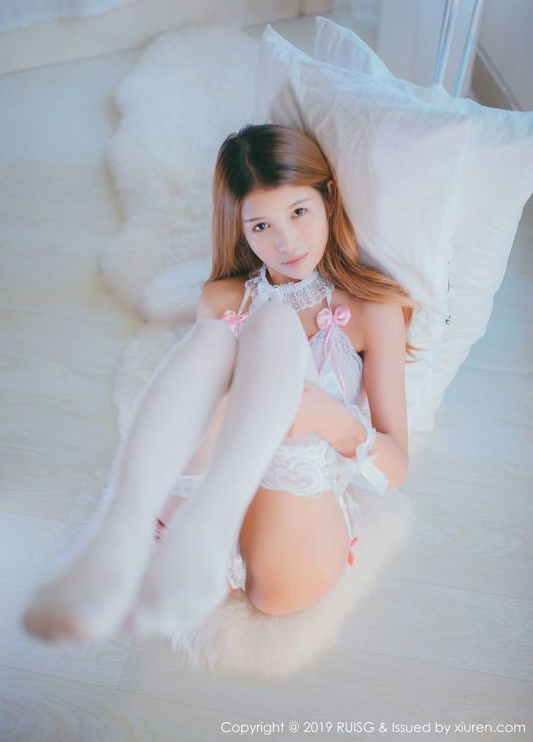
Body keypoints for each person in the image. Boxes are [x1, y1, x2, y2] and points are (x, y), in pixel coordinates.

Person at [22, 124, 420, 643]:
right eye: (261, 225)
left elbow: (395, 469)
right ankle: (120, 532)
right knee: (215, 338)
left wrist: (329, 418)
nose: (285, 242)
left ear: (327, 199)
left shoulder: (372, 310)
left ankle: (195, 529)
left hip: (291, 528)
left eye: (299, 212)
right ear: (240, 229)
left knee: (272, 325)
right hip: (197, 508)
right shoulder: (222, 298)